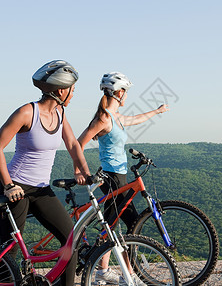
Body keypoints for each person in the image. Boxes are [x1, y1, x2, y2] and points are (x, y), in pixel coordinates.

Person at [0, 60, 91, 286]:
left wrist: (84, 171)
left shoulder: (61, 113)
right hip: (16, 185)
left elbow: (73, 143)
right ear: (61, 90)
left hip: (41, 188)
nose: (74, 95)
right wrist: (8, 185)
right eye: (73, 90)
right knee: (10, 247)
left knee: (70, 241)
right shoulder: (27, 113)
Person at [76, 72, 169, 285]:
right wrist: (81, 171)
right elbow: (79, 143)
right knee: (129, 223)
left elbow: (136, 119)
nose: (126, 96)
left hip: (120, 176)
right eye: (125, 92)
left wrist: (157, 111)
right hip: (111, 178)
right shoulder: (104, 119)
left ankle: (105, 270)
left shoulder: (115, 117)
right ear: (119, 92)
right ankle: (123, 274)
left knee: (114, 223)